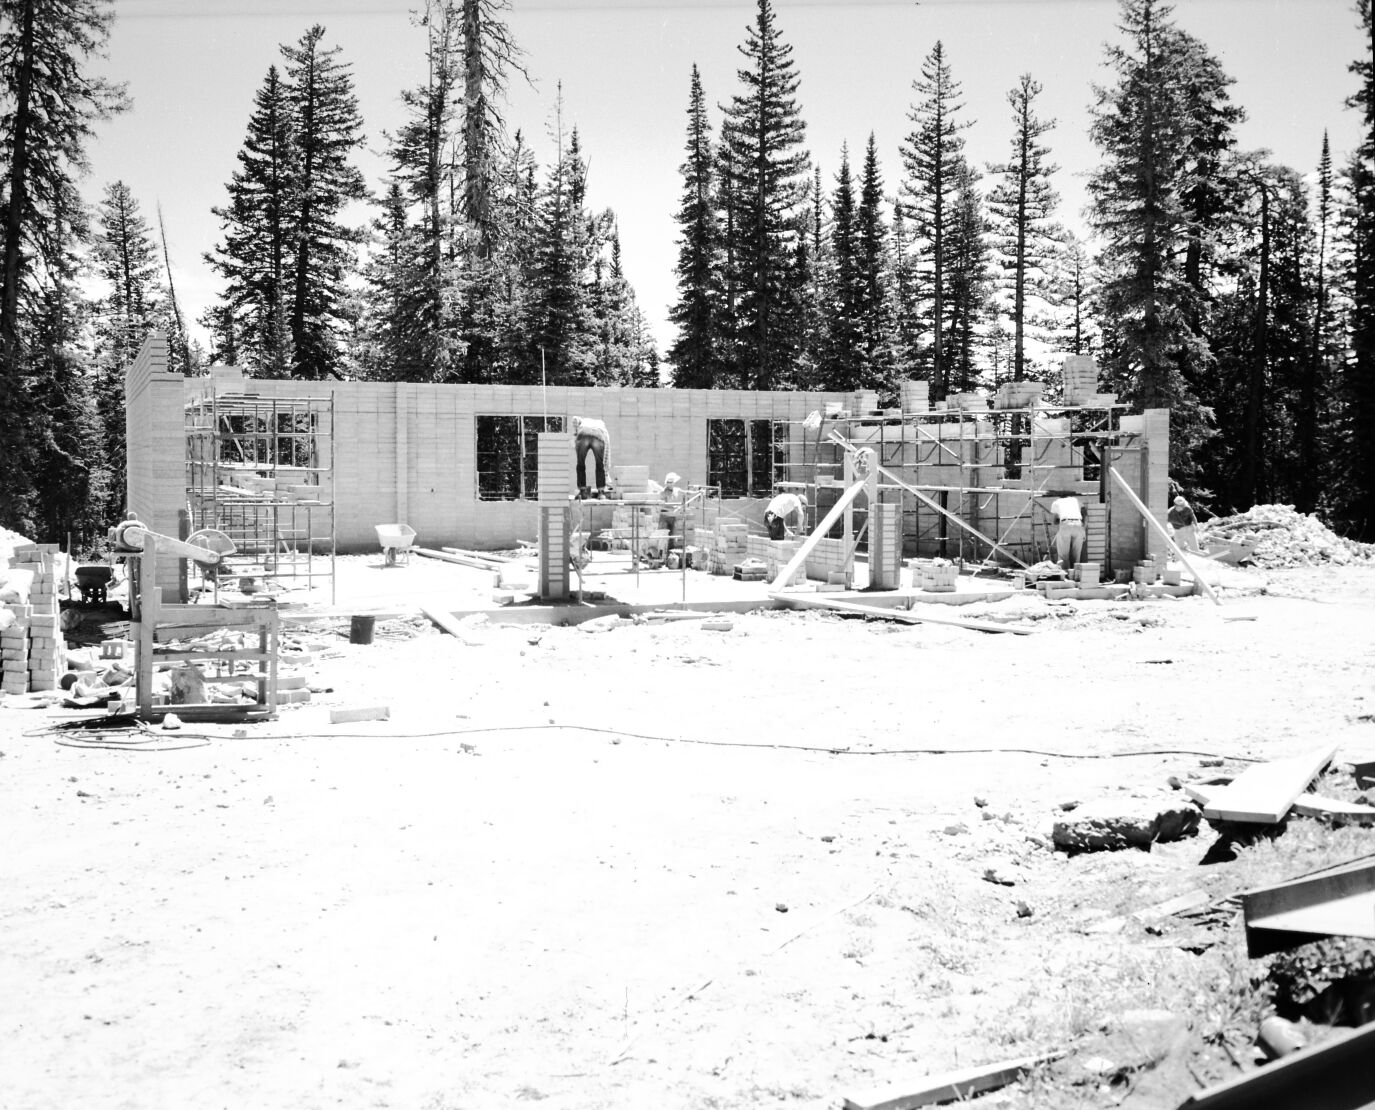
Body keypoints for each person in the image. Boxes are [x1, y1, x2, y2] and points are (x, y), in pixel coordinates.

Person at [571, 416, 611, 497]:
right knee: (600, 464)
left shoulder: (582, 423)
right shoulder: (601, 425)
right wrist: (606, 467)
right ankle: (601, 493)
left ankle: (582, 492)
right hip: (598, 434)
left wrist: (576, 442)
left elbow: (575, 425)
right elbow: (607, 444)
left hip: (583, 433)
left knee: (580, 463)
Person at [1050, 494, 1084, 570]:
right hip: (1078, 524)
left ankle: (1064, 575)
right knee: (1076, 554)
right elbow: (1085, 513)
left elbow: (1054, 521)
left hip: (1065, 524)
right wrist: (1083, 529)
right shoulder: (1075, 500)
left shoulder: (1056, 502)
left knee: (1063, 555)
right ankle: (1076, 574)